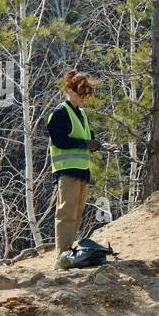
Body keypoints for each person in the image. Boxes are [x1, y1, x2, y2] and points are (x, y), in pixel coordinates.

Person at [48, 70, 108, 267]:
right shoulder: (59, 113)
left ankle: (68, 252)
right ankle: (62, 256)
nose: (83, 98)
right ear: (68, 90)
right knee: (66, 212)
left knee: (77, 212)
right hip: (67, 170)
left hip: (82, 169)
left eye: (85, 94)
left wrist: (95, 144)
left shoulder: (81, 114)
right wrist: (85, 143)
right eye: (80, 93)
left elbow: (86, 137)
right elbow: (60, 140)